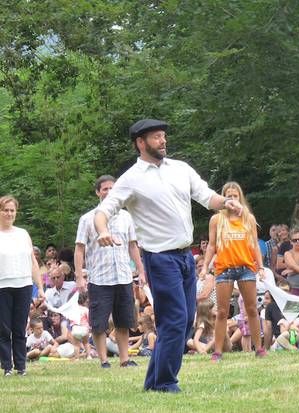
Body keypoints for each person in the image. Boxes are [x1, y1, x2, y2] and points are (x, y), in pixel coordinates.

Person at [94, 119, 245, 393]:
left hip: (186, 257)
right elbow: (104, 210)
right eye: (156, 137)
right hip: (160, 259)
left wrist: (226, 203)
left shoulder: (180, 169)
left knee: (184, 321)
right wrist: (103, 230)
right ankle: (165, 382)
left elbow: (206, 196)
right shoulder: (131, 179)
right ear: (141, 143)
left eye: (164, 136)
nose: (163, 141)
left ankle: (153, 381)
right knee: (174, 321)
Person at [74, 174, 144, 369]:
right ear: (98, 192)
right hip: (99, 278)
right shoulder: (87, 219)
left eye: (112, 188)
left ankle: (124, 359)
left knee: (123, 320)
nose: (109, 192)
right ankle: (104, 360)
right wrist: (79, 276)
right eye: (105, 189)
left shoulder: (126, 217)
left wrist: (140, 270)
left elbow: (133, 246)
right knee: (99, 322)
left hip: (123, 276)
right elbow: (79, 248)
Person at [199, 182, 267, 362]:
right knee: (222, 311)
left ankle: (259, 348)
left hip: (246, 268)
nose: (232, 199)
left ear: (240, 198)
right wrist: (205, 267)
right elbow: (212, 246)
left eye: (235, 196)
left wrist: (260, 267)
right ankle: (218, 351)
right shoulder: (217, 219)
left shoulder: (248, 218)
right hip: (225, 268)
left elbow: (254, 245)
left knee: (252, 309)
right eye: (228, 196)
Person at [0, 195, 45, 376]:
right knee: (4, 328)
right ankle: (7, 366)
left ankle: (21, 366)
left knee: (19, 328)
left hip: (23, 284)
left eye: (12, 210)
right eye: (5, 210)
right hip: (2, 286)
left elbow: (33, 262)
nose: (9, 214)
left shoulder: (23, 234)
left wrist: (40, 287)